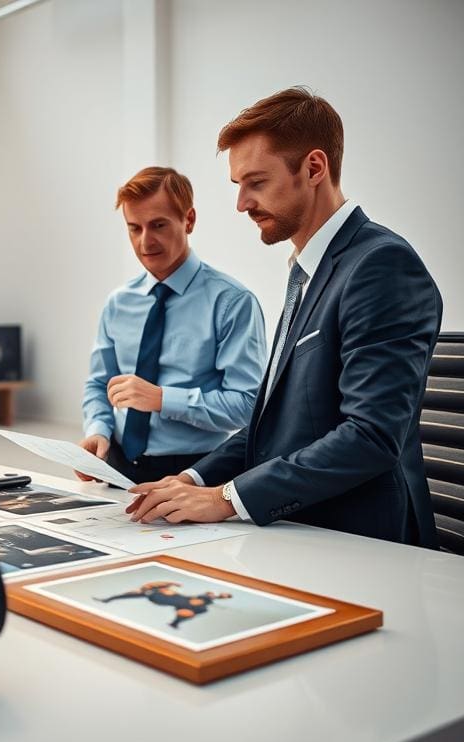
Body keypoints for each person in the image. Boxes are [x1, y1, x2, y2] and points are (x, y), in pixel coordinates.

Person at [126, 87, 442, 547]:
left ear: (314, 168)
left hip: (361, 539)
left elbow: (370, 436)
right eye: (238, 186)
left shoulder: (381, 266)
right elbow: (270, 425)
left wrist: (228, 499)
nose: (241, 204)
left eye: (256, 182)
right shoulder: (307, 269)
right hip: (298, 524)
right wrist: (194, 479)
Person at [79, 167, 267, 485]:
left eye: (158, 225)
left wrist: (162, 398)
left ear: (188, 220)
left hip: (198, 473)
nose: (144, 241)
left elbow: (249, 406)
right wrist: (98, 430)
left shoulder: (232, 302)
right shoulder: (118, 303)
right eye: (134, 228)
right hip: (117, 467)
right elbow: (100, 385)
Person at [95, 581, 233, 629]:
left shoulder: (200, 606)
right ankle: (108, 599)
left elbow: (190, 608)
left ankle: (174, 623)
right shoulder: (175, 594)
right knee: (143, 591)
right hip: (171, 598)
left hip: (181, 603)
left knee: (185, 611)